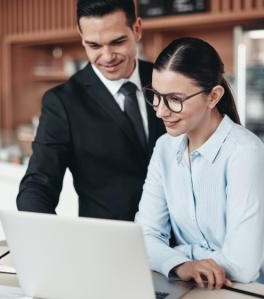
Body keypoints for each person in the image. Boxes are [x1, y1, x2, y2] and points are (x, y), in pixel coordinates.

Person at [135, 37, 264, 296]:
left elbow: (242, 265)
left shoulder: (244, 153)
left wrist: (179, 255)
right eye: (156, 96)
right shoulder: (164, 149)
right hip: (203, 286)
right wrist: (183, 265)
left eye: (174, 99)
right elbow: (142, 239)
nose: (160, 111)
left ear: (213, 96)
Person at [17, 0, 165, 220]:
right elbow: (39, 183)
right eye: (94, 46)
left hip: (180, 244)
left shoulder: (166, 80)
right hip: (108, 243)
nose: (107, 56)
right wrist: (40, 236)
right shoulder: (62, 102)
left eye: (117, 42)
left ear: (137, 29)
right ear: (81, 37)